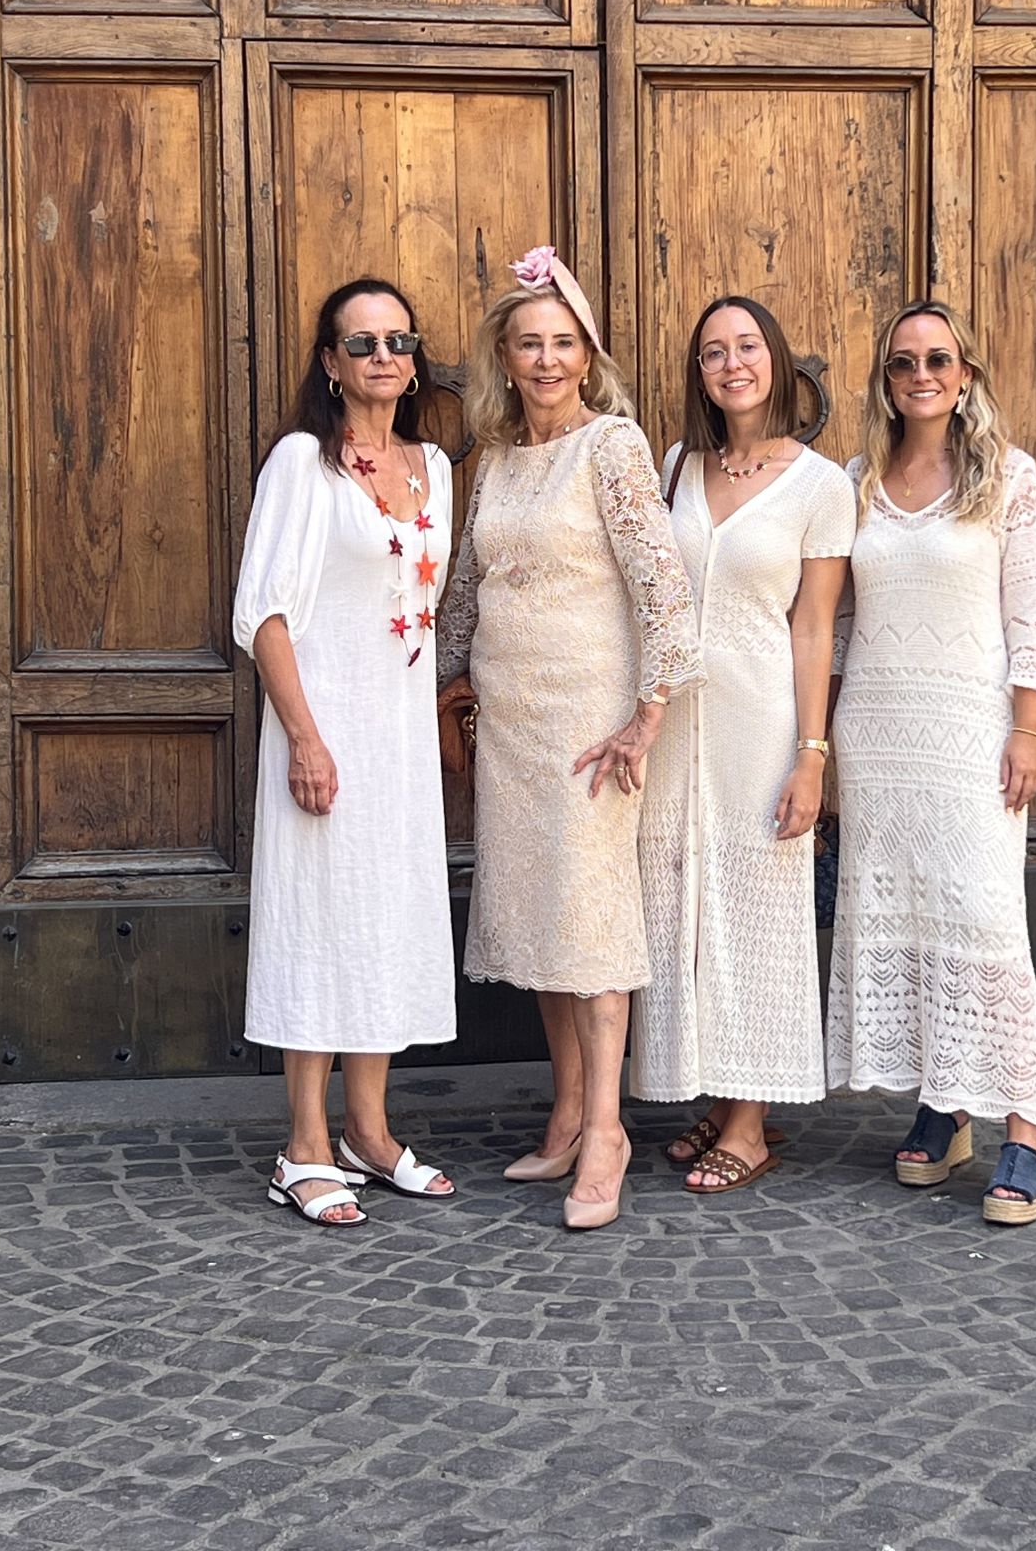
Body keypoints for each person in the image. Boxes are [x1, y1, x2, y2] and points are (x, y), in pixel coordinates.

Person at [437, 246, 702, 1231]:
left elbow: (663, 588)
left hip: (592, 721)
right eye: (528, 344)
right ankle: (563, 1113)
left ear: (587, 356)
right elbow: (468, 586)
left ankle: (605, 1133)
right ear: (504, 358)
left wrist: (648, 712)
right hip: (510, 718)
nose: (546, 360)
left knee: (591, 927)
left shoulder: (613, 447)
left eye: (562, 343)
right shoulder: (497, 459)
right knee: (541, 919)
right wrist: (436, 685)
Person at [827, 300, 1036, 1225]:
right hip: (880, 735)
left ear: (965, 375)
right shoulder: (856, 481)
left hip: (972, 735)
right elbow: (836, 622)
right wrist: (821, 741)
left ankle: (1025, 1128)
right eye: (903, 362)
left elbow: (1033, 611)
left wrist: (1030, 728)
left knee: (985, 920)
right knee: (914, 920)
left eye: (938, 360)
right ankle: (945, 1106)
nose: (921, 375)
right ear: (886, 380)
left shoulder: (1008, 477)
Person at [234, 279, 458, 1228]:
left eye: (397, 340)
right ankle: (304, 1145)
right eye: (360, 343)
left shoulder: (433, 465)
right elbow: (265, 613)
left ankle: (368, 1128)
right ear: (331, 362)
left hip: (399, 739)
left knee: (385, 921)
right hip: (324, 732)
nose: (382, 357)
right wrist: (304, 738)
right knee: (318, 923)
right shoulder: (303, 463)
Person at [631, 297, 854, 1194]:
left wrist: (812, 753)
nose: (733, 364)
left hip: (761, 723)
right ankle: (723, 1096)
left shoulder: (821, 485)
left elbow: (815, 627)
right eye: (714, 352)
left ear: (777, 360)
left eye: (748, 346)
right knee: (683, 904)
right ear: (700, 373)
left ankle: (753, 1124)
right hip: (674, 725)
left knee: (758, 909)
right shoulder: (677, 465)